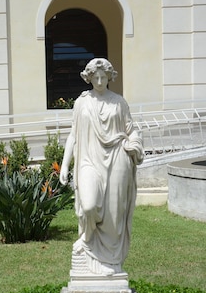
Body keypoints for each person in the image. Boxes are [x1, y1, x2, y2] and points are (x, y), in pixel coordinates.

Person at [59, 58, 144, 276]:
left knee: (114, 215)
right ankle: (86, 240)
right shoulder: (82, 103)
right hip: (89, 161)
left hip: (117, 159)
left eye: (103, 77)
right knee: (89, 206)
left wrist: (134, 143)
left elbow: (131, 129)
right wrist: (64, 165)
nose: (99, 81)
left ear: (109, 77)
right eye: (95, 77)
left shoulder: (119, 102)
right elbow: (73, 134)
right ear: (88, 78)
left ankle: (110, 262)